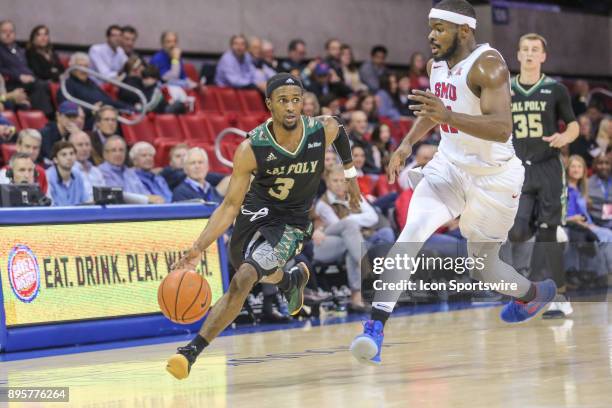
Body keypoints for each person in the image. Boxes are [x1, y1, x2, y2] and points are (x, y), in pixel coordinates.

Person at [350, 0, 557, 365]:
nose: (431, 35)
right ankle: (375, 327)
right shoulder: (436, 65)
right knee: (410, 233)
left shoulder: (489, 66)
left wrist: (448, 115)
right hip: (449, 165)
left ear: (464, 30)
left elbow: (501, 128)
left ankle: (532, 292)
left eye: (439, 28)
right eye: (430, 27)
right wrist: (406, 143)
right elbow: (435, 115)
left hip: (493, 177)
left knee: (484, 267)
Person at [165, 73, 361, 380]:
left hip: (293, 223)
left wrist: (352, 180)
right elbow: (229, 206)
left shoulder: (321, 128)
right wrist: (197, 248)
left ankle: (191, 351)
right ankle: (289, 282)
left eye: (296, 100)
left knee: (244, 279)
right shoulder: (251, 148)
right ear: (270, 104)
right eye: (283, 101)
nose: (291, 107)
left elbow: (341, 132)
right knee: (246, 266)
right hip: (254, 214)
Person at [507, 33, 579, 319]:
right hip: (519, 169)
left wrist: (564, 137)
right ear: (518, 54)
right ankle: (544, 228)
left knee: (548, 234)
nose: (529, 54)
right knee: (517, 232)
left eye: (534, 50)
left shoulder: (555, 89)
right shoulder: (505, 89)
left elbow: (573, 125)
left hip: (548, 167)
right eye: (524, 49)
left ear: (543, 56)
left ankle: (559, 296)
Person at [0, 20, 53, 117]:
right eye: (4, 32)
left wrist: (31, 76)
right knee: (40, 85)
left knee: (46, 85)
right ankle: (44, 116)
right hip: (11, 83)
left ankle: (46, 116)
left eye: (11, 32)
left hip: (27, 82)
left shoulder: (19, 50)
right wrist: (19, 76)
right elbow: (1, 70)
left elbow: (27, 68)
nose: (8, 34)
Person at [98, 136, 164, 204]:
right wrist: (146, 198)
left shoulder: (130, 172)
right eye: (114, 150)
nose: (118, 154)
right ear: (105, 154)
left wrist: (153, 198)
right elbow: (116, 196)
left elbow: (143, 192)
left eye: (121, 150)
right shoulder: (101, 172)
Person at [46, 141, 88, 206]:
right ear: (55, 160)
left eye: (71, 154)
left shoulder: (78, 175)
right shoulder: (48, 177)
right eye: (64, 155)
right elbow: (50, 206)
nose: (69, 158)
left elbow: (85, 202)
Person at [588, 154, 612, 229]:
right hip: (595, 222)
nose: (604, 166)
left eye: (607, 163)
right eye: (600, 163)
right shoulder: (588, 183)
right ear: (595, 165)